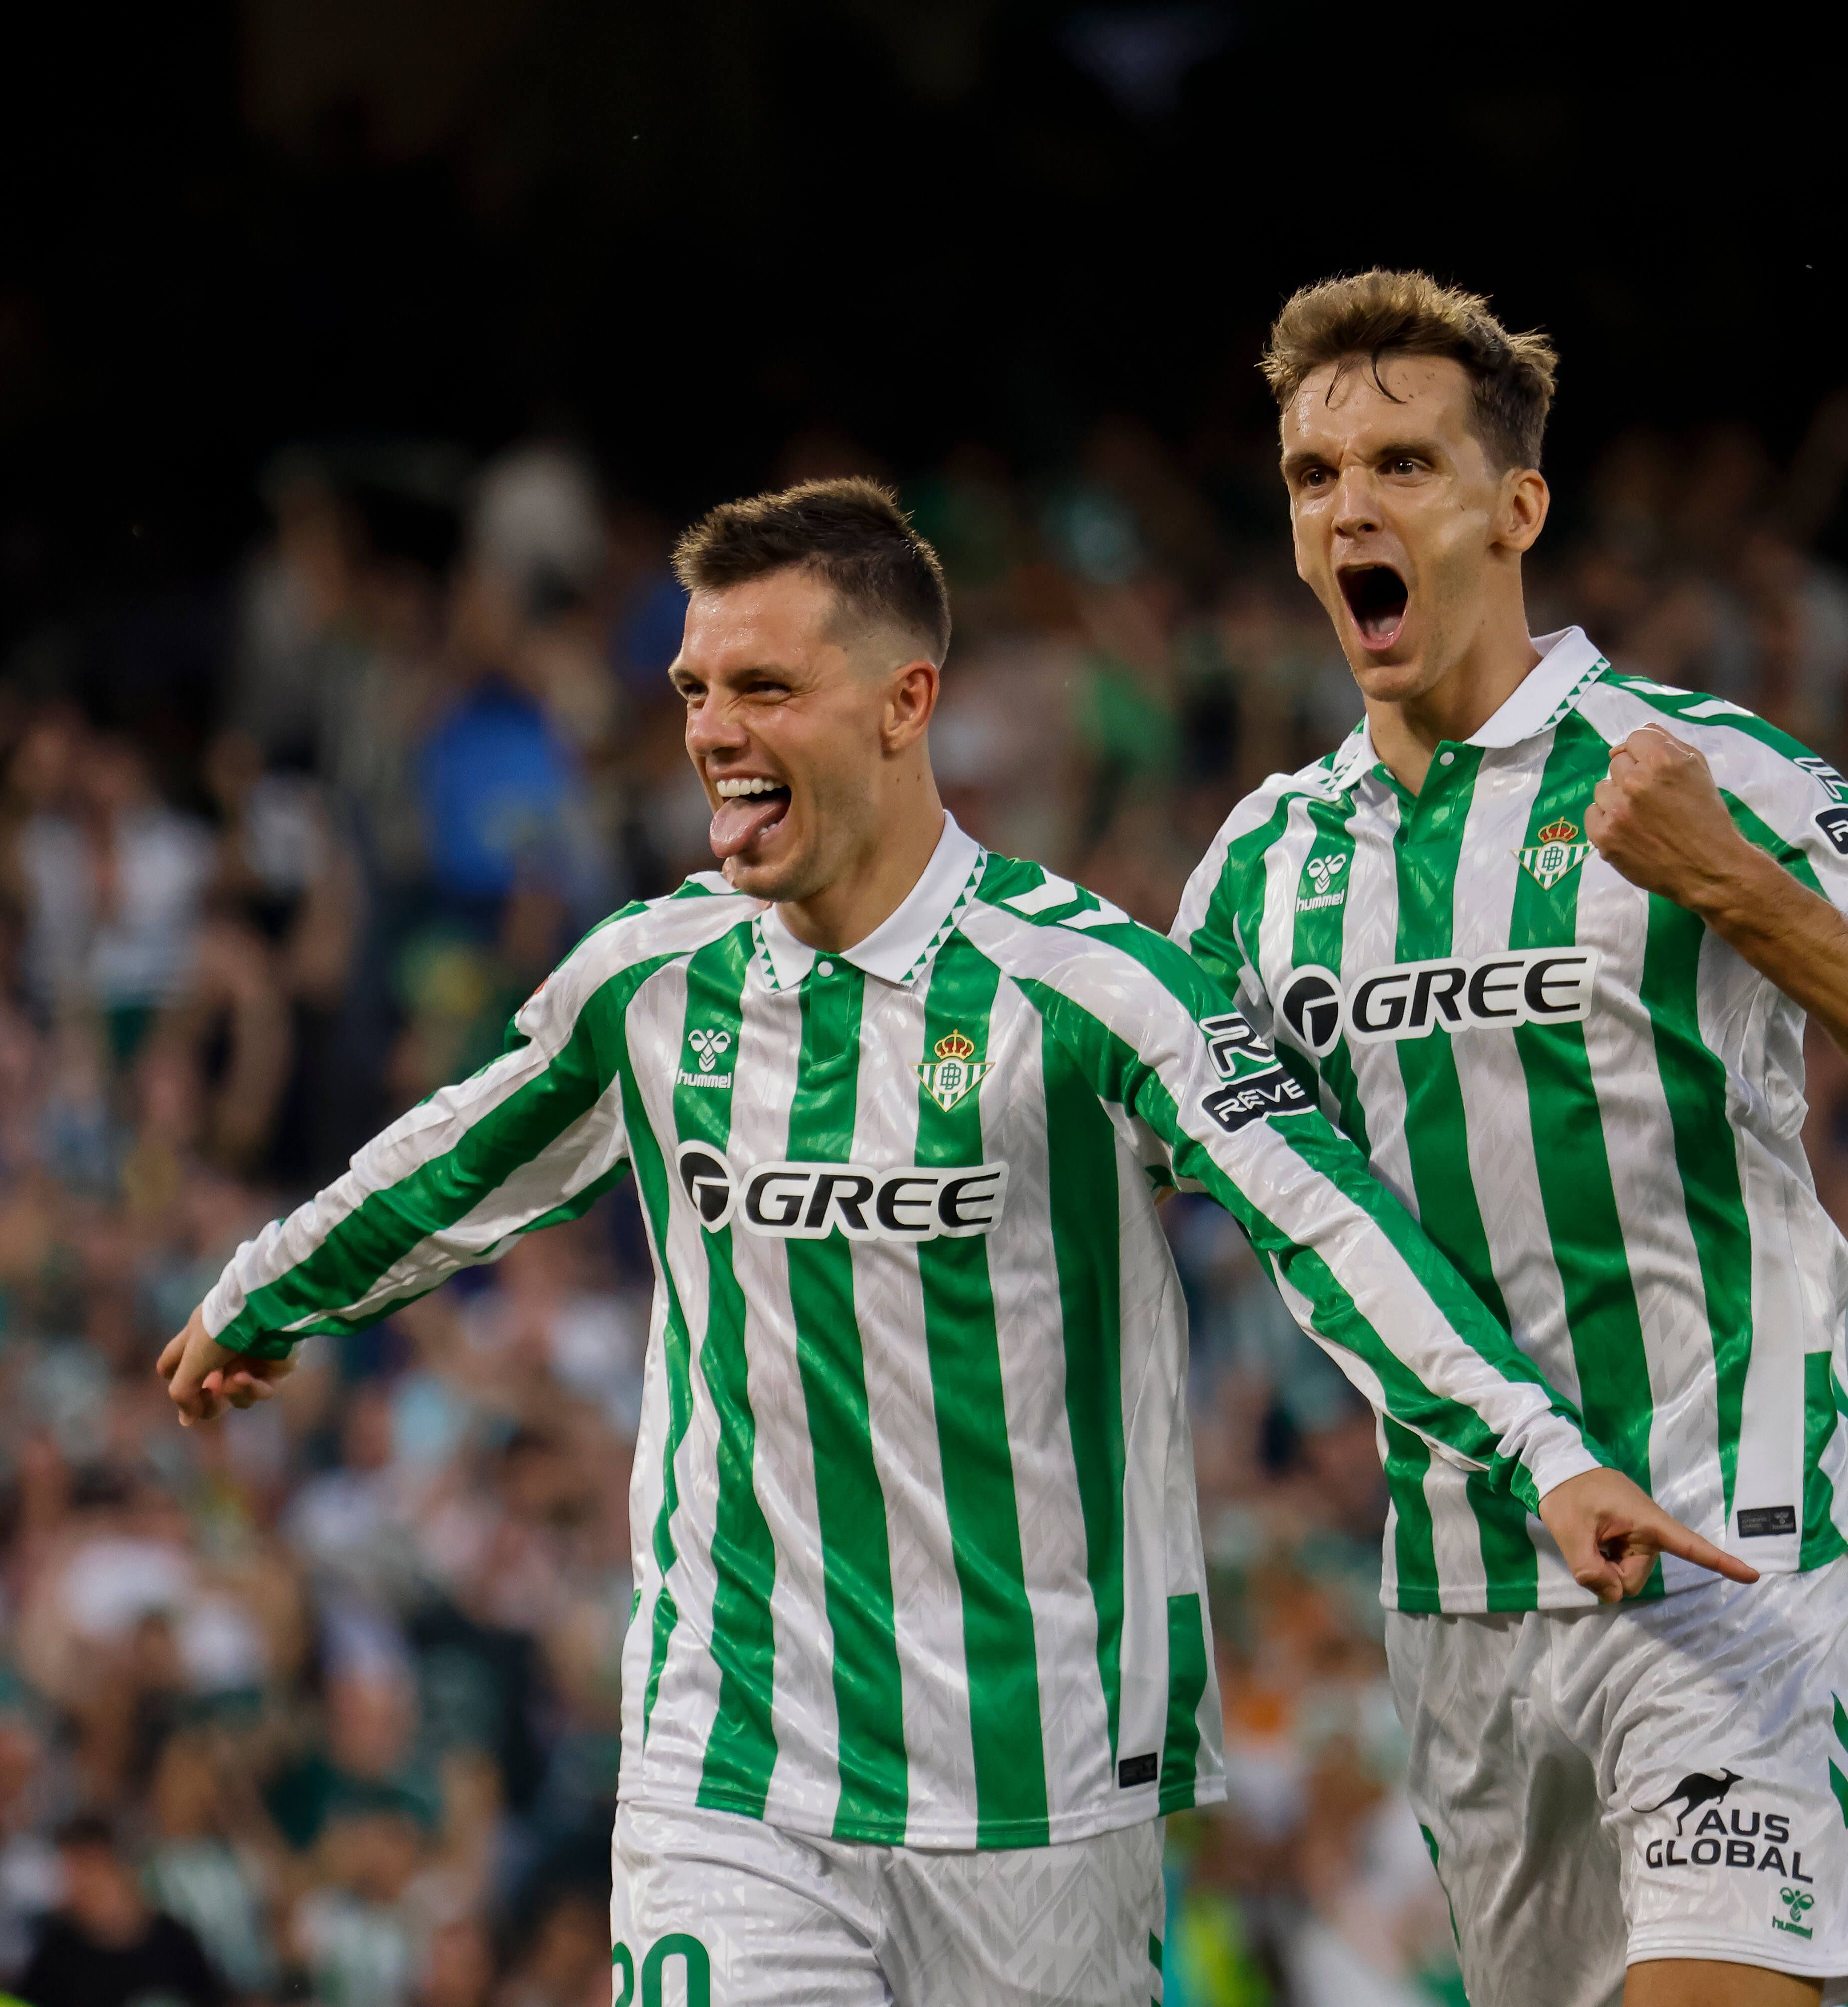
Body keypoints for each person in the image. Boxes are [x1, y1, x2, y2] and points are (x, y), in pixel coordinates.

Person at [159, 479, 1742, 2007]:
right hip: (734, 1754)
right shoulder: (652, 981)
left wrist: (1537, 1452)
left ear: (902, 703)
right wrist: (258, 1295)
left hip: (1043, 1775)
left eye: (764, 688)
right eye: (696, 688)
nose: (711, 730)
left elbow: (1324, 1218)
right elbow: (454, 1156)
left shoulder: (1095, 991)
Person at [1171, 270, 1848, 2007]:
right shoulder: (1256, 868)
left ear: (1517, 507)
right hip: (1460, 1585)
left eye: (1402, 463)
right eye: (1315, 475)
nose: (1349, 508)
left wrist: (1734, 886)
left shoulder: (1711, 766)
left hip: (1730, 1529)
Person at [15, 1815, 225, 2007]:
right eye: (69, 1871)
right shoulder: (57, 1953)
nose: (77, 1884)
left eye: (88, 1869)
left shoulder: (176, 1943)